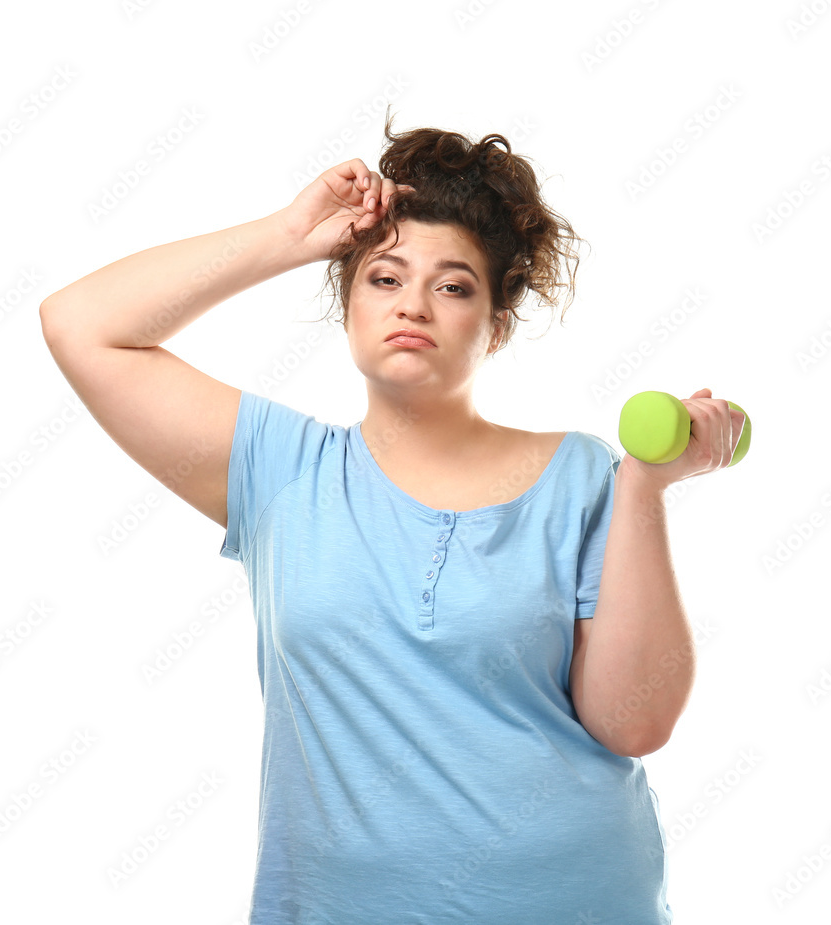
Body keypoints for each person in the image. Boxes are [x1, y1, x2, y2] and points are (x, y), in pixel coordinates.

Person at [40, 111, 745, 924]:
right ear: (347, 304)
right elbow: (81, 325)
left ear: (497, 325)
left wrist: (646, 489)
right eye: (384, 277)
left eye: (452, 285)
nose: (414, 302)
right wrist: (288, 235)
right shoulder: (277, 469)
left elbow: (634, 719)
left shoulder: (587, 476)